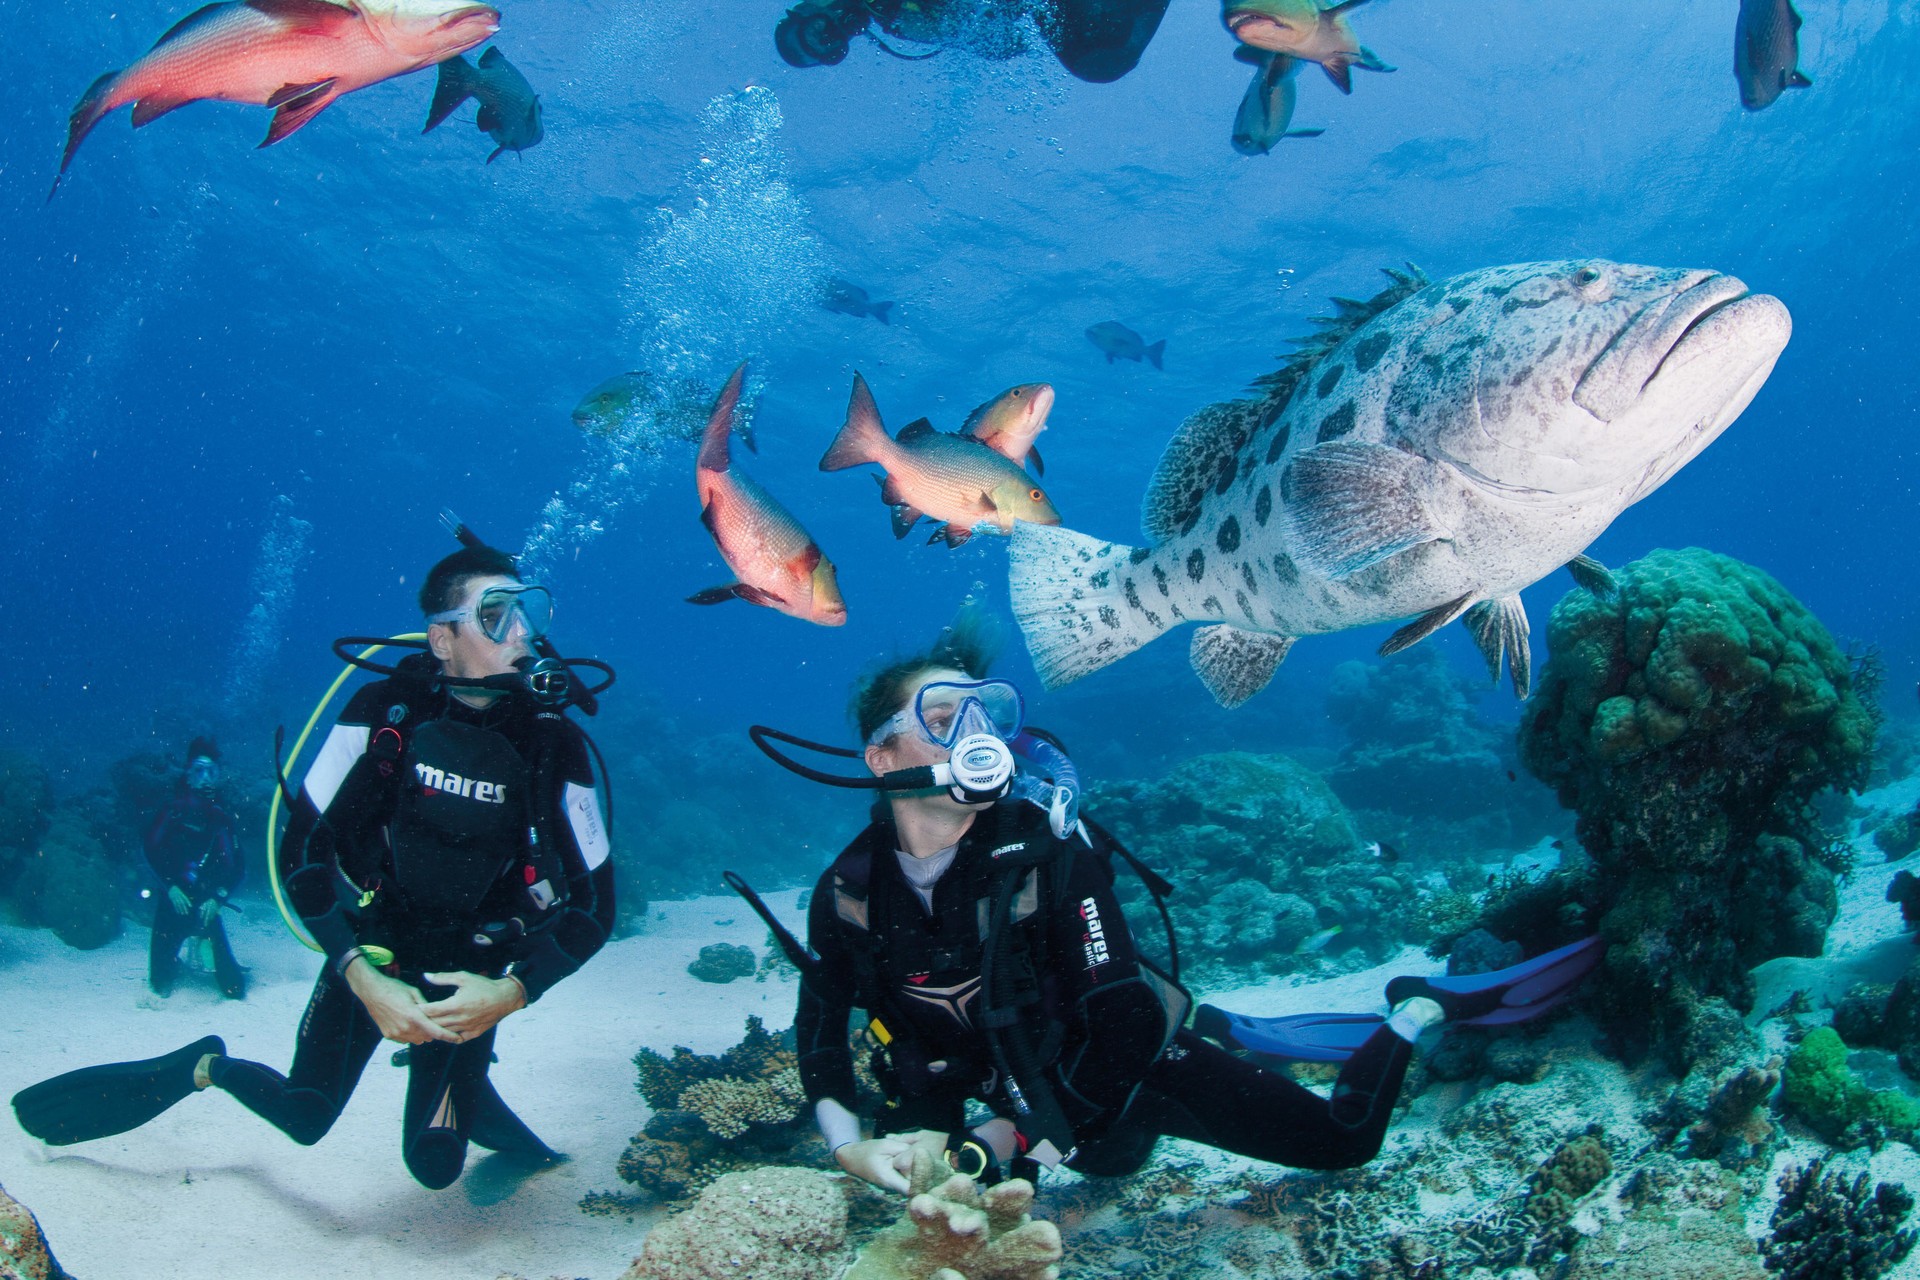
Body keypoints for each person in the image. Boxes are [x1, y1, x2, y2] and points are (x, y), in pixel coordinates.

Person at [787, 607, 1594, 1193]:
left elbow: (1125, 1022)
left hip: (1125, 1068)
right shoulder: (850, 895)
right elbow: (821, 1034)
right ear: (881, 754)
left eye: (986, 713)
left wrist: (1018, 1139)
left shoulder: (1044, 849)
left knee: (1340, 1143)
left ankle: (1411, 1011)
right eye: (942, 717)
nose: (976, 736)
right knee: (1051, 1166)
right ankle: (1235, 1028)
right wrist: (848, 1147)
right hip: (1012, 1094)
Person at [12, 540, 616, 1192]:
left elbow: (596, 904)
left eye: (528, 611)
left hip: (475, 964)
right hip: (375, 944)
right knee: (305, 1116)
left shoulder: (554, 744)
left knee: (435, 1167)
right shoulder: (383, 714)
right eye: (496, 614)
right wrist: (359, 973)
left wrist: (511, 991)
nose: (523, 631)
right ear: (443, 638)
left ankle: (465, 1080)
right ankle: (204, 1067)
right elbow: (300, 851)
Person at [774, 0, 1172, 84]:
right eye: (833, 48)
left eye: (820, 32)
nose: (839, 33)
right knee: (1100, 62)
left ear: (807, 8)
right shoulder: (900, 24)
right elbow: (1007, 44)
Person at [144, 736, 246, 999]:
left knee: (234, 988)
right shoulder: (172, 811)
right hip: (173, 901)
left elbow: (237, 867)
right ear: (188, 775)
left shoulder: (222, 817)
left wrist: (217, 898)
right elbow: (150, 851)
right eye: (199, 771)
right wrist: (170, 887)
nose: (206, 779)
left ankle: (202, 943)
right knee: (159, 984)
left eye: (212, 772)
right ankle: (184, 952)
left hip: (205, 904)